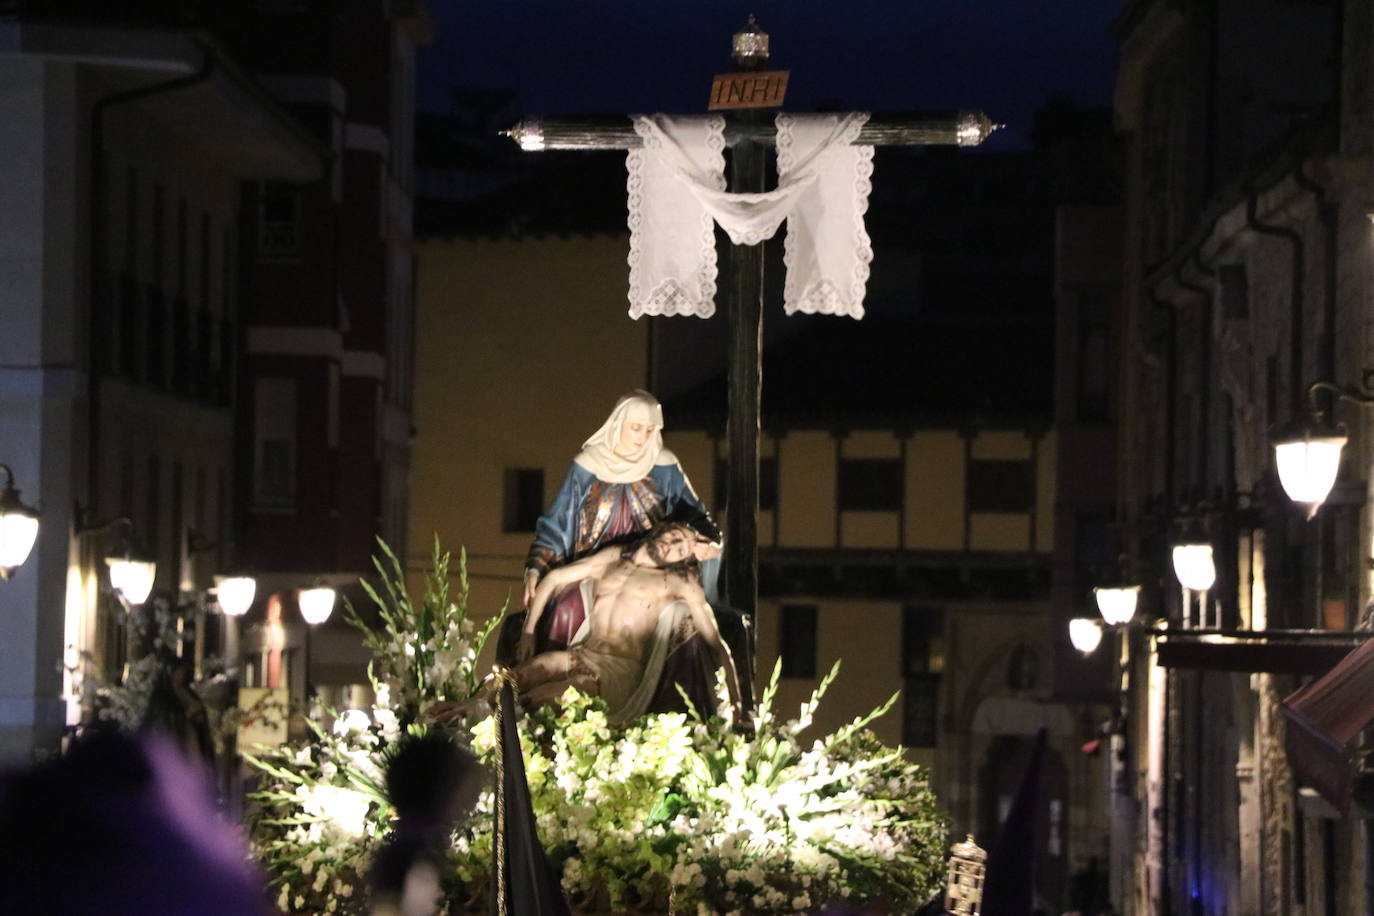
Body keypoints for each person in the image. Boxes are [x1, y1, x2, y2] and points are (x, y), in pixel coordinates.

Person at [521, 389, 720, 627]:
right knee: (567, 610)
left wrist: (706, 543)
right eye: (635, 428)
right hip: (594, 566)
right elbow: (558, 526)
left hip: (652, 567)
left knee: (681, 620)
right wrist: (535, 568)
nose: (643, 438)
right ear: (618, 425)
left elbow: (697, 517)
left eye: (650, 430)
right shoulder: (587, 467)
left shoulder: (664, 466)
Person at [515, 522, 742, 726]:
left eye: (681, 550)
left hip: (616, 672)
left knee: (542, 698)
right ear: (662, 529)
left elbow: (717, 643)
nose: (672, 546)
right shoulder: (614, 558)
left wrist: (737, 700)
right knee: (519, 677)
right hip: (583, 654)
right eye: (675, 536)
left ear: (682, 560)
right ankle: (485, 720)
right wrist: (528, 631)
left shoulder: (677, 583)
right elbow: (555, 578)